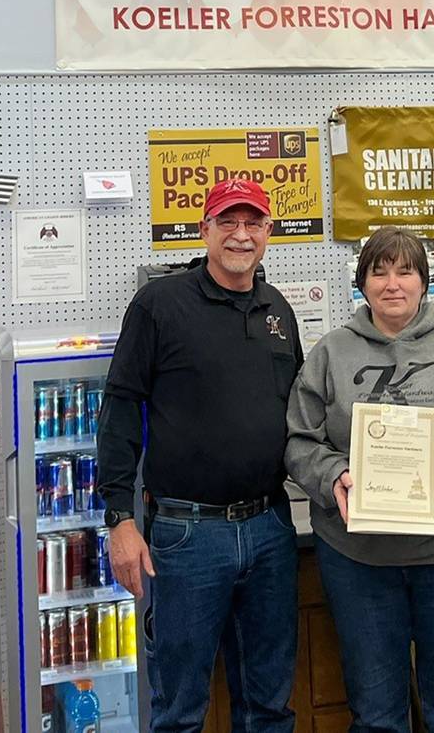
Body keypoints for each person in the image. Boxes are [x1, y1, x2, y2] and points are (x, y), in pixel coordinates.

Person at [285, 225, 434, 733]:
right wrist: (334, 477)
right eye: (379, 271)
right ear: (362, 283)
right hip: (359, 560)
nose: (392, 283)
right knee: (376, 719)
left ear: (424, 281)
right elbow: (299, 442)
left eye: (405, 271)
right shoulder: (330, 352)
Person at [97, 178, 303, 733]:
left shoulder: (276, 308)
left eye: (254, 223)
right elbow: (119, 409)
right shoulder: (159, 305)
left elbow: (298, 413)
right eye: (228, 223)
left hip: (269, 528)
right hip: (186, 537)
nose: (242, 235)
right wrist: (118, 518)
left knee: (269, 706)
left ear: (268, 233)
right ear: (204, 229)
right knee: (180, 712)